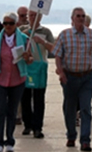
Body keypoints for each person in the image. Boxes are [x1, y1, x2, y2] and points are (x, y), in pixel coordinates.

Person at [52, 7, 92, 152]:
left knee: (86, 108)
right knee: (69, 108)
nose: (81, 18)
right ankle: (71, 135)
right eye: (78, 16)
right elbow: (58, 56)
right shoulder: (64, 35)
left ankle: (85, 141)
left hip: (87, 77)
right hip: (70, 78)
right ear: (72, 18)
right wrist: (61, 73)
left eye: (83, 16)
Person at [0, 12, 33, 152]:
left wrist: (27, 58)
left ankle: (9, 140)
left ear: (16, 24)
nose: (8, 26)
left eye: (11, 23)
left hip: (17, 80)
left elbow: (30, 61)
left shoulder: (24, 39)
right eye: (5, 23)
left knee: (12, 111)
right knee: (0, 110)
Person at [19, 10, 54, 139]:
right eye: (31, 15)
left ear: (40, 17)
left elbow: (53, 48)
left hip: (40, 66)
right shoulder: (23, 30)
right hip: (26, 66)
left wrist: (42, 42)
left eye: (35, 15)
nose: (33, 18)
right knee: (25, 97)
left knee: (39, 98)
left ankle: (38, 127)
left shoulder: (46, 32)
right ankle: (27, 124)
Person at [15, 6, 29, 125]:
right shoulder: (14, 29)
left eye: (26, 15)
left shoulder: (33, 28)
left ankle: (28, 115)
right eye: (22, 15)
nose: (25, 18)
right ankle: (18, 115)